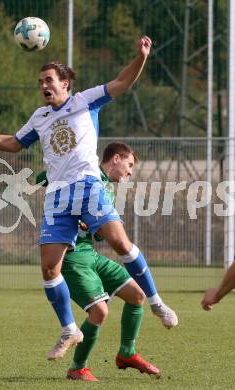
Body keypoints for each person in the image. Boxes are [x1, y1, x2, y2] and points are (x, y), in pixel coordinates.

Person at [0, 36, 153, 360]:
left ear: (64, 83)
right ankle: (69, 330)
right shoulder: (39, 117)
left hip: (83, 197)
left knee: (127, 285)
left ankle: (123, 348)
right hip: (61, 199)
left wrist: (141, 56)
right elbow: (13, 143)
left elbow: (121, 82)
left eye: (49, 80)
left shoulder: (84, 101)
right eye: (40, 82)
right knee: (49, 270)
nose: (44, 85)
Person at [37, 142, 168, 381]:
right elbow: (44, 175)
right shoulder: (84, 174)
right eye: (129, 165)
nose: (130, 172)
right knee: (99, 311)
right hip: (72, 258)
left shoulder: (105, 188)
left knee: (136, 295)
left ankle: (127, 353)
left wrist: (97, 227)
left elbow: (97, 233)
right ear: (116, 159)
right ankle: (78, 369)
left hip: (92, 255)